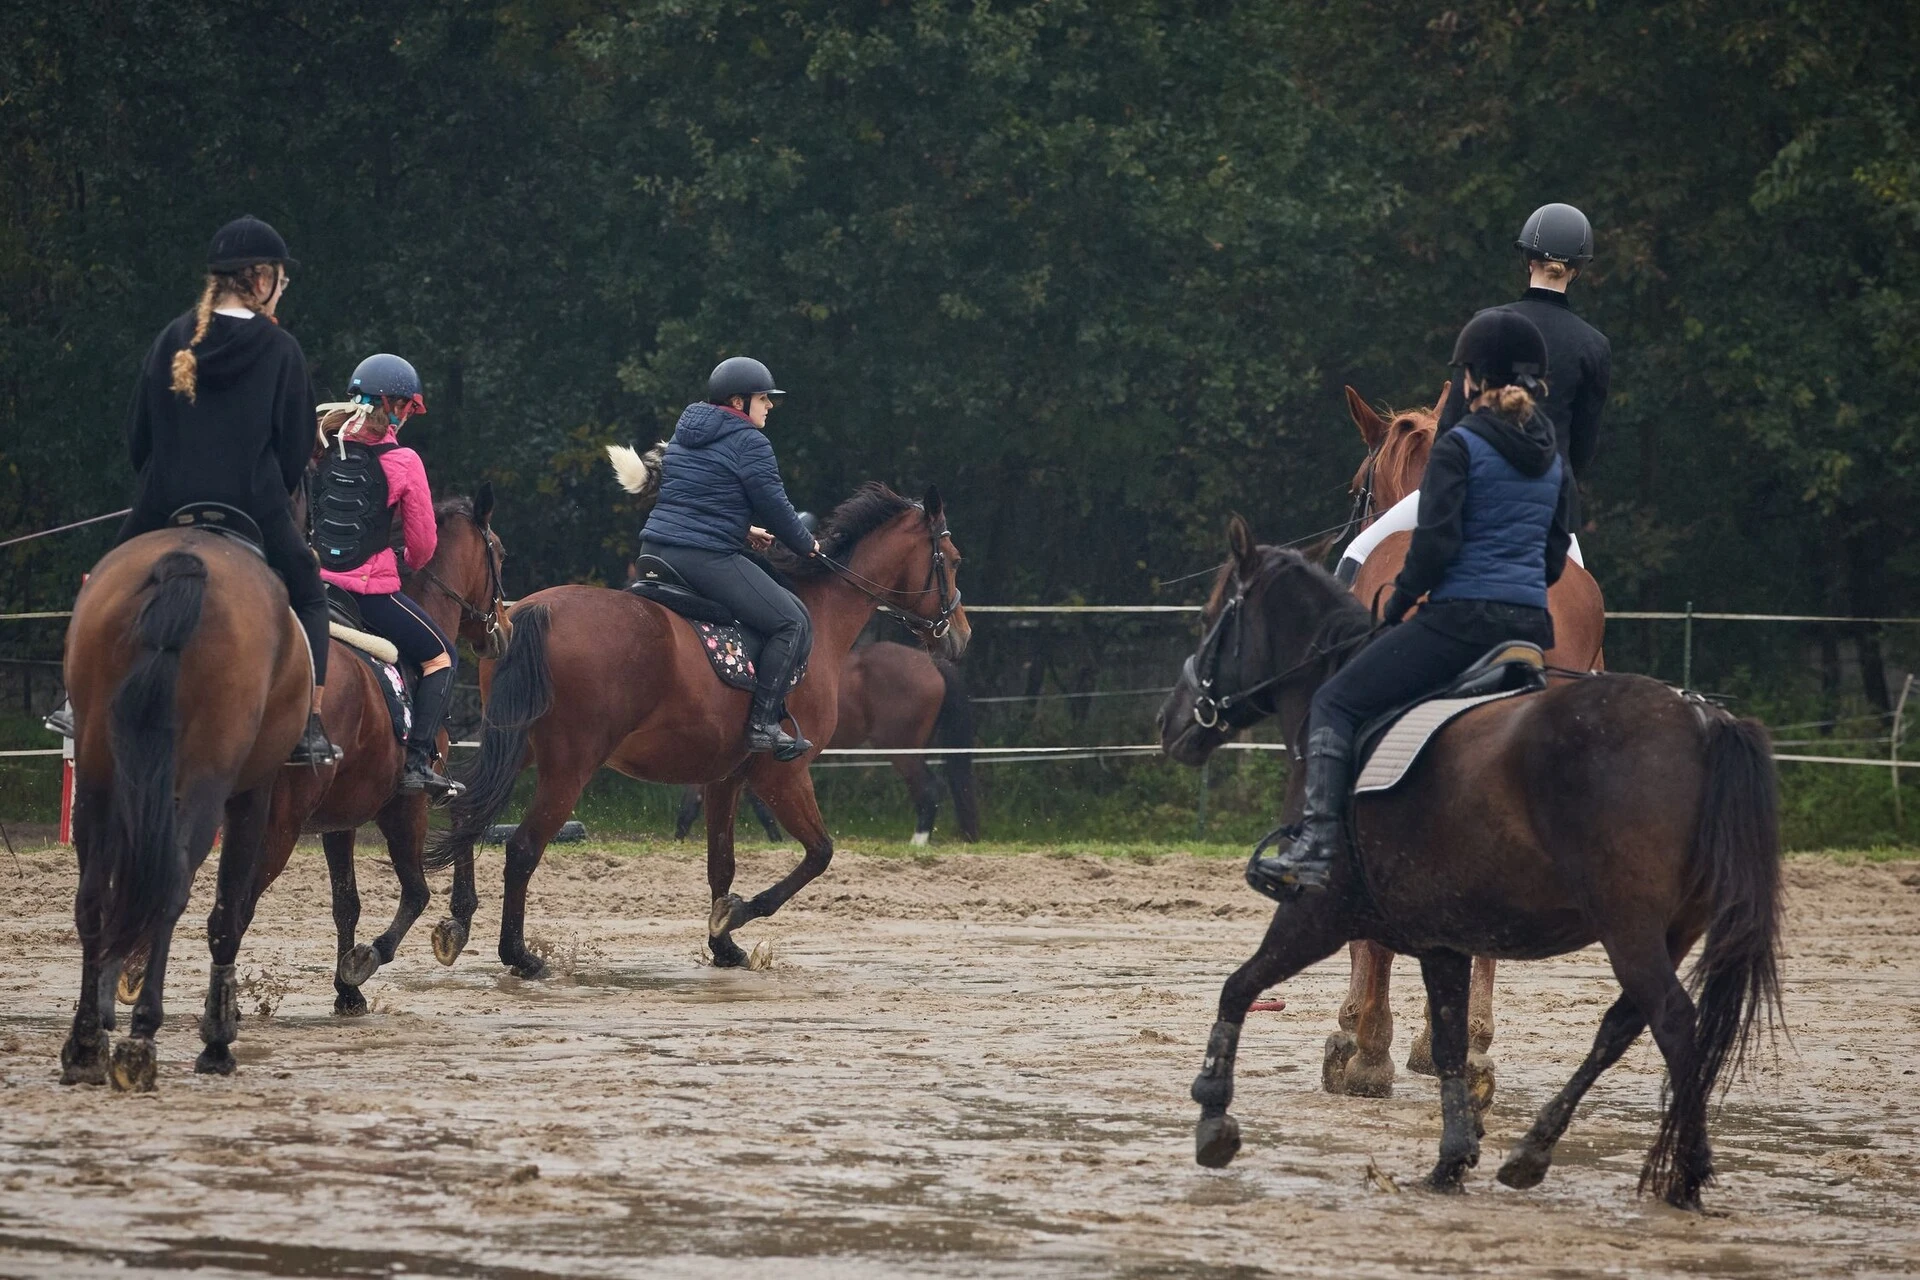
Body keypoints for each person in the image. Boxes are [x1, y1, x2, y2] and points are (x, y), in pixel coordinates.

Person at [1248, 308, 1574, 899]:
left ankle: (1315, 852)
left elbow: (1434, 550)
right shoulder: (1552, 457)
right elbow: (1555, 558)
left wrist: (1396, 607)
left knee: (1336, 701)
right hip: (1530, 633)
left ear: (1474, 379)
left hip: (1460, 627)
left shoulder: (1461, 447)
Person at [105, 215, 339, 765]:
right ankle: (308, 724)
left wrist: (164, 483)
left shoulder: (170, 337)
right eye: (280, 278)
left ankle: (77, 698)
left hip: (164, 506)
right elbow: (292, 451)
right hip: (253, 510)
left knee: (106, 581)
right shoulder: (281, 350)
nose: (282, 288)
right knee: (308, 591)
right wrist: (267, 493)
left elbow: (138, 437)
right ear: (258, 278)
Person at [1336, 202, 1610, 583]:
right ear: (1577, 270)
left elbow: (1450, 428)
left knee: (1357, 552)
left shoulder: (1488, 324)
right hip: (1549, 506)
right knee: (1584, 603)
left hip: (1470, 487)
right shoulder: (1594, 346)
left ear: (1527, 260)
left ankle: (1336, 644)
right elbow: (1582, 449)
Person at [637, 356, 820, 760]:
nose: (769, 406)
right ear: (738, 403)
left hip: (654, 552)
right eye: (763, 398)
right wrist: (807, 543)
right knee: (792, 621)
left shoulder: (686, 434)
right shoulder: (750, 442)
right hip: (703, 558)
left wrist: (743, 531)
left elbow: (694, 500)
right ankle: (763, 725)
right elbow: (774, 505)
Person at [312, 354, 463, 795]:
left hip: (309, 586)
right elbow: (422, 546)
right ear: (396, 406)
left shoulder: (320, 444)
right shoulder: (403, 461)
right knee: (442, 657)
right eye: (406, 408)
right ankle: (417, 762)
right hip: (367, 595)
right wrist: (404, 561)